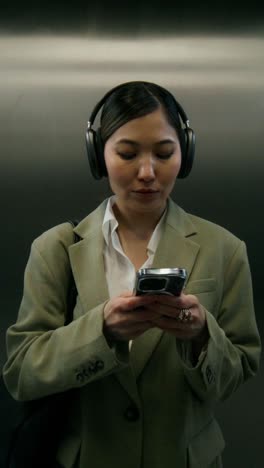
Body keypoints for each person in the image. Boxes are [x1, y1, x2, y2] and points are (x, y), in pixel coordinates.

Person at [3, 81, 261, 468]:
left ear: (185, 154)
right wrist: (100, 331)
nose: (147, 172)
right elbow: (21, 373)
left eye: (164, 153)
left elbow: (239, 370)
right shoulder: (54, 248)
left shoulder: (225, 249)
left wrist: (202, 335)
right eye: (126, 153)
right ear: (98, 156)